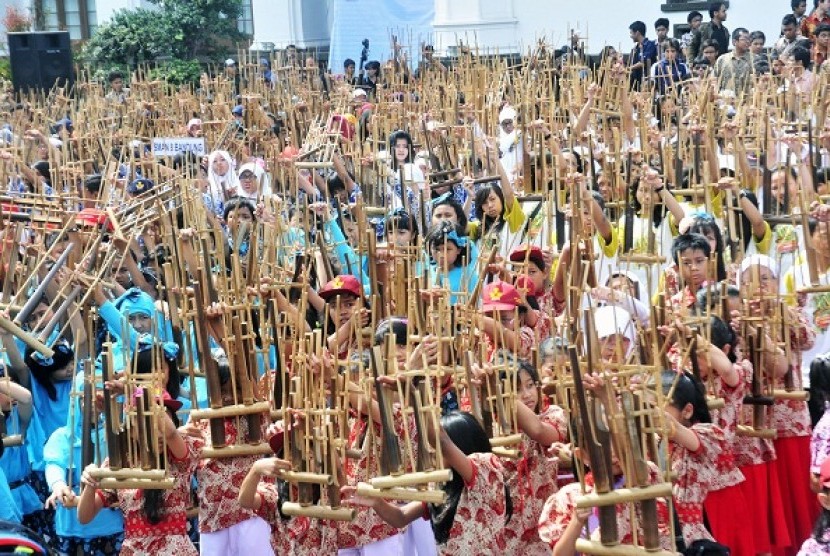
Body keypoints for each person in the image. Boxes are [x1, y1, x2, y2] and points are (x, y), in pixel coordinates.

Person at [343, 411, 511, 555]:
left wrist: (416, 392)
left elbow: (443, 441)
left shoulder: (487, 472)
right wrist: (375, 501)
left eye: (436, 450)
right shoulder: (443, 489)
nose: (432, 455)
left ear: (462, 447)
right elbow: (400, 517)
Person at [714, 28, 754, 95]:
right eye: (744, 39)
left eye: (749, 39)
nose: (748, 41)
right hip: (726, 100)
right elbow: (714, 80)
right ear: (734, 42)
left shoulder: (754, 59)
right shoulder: (722, 59)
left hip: (747, 101)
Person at [628, 21, 657, 90]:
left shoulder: (650, 45)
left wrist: (629, 69)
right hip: (635, 82)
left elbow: (643, 62)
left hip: (646, 82)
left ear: (637, 33)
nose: (630, 36)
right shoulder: (635, 47)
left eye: (631, 33)